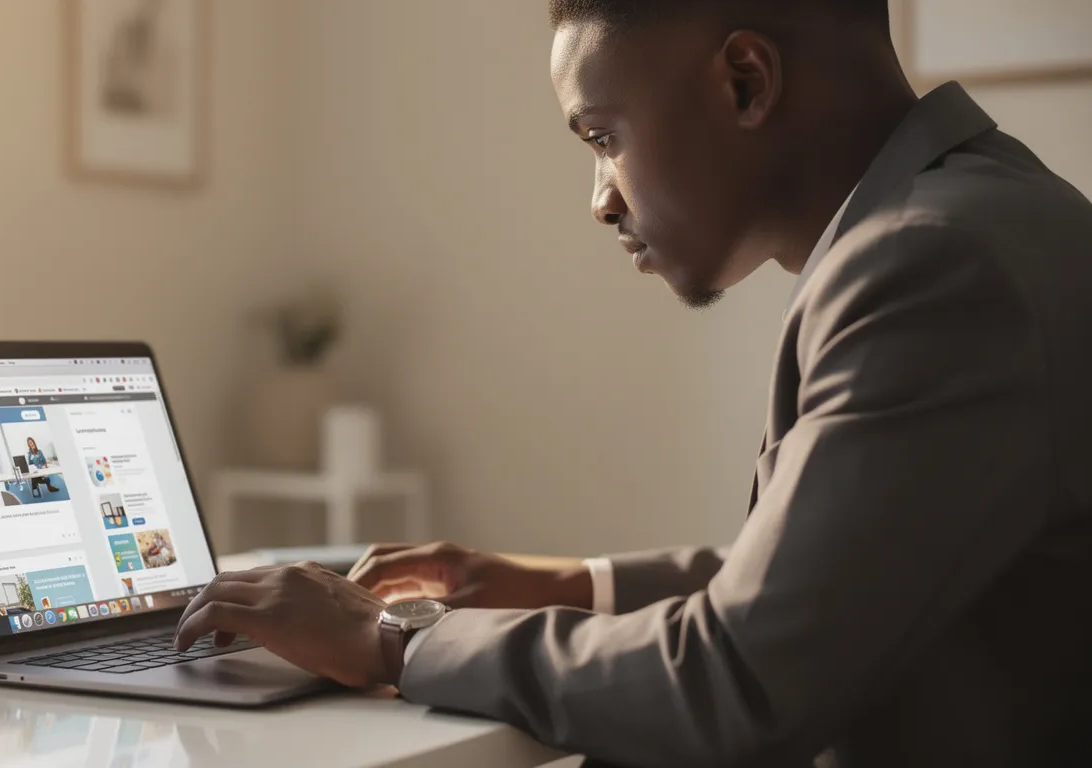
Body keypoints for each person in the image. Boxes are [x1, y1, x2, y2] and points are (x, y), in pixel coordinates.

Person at [173, 1, 1092, 764]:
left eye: (603, 136)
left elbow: (741, 679)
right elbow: (837, 583)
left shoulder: (928, 267)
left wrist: (391, 640)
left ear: (746, 81)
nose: (601, 197)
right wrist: (558, 582)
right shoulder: (982, 218)